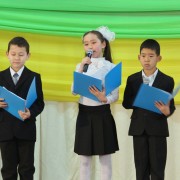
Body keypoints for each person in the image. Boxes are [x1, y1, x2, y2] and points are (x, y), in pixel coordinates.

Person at [122, 39, 176, 180]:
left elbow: (171, 107)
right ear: (139, 57)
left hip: (158, 128)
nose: (147, 60)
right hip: (138, 128)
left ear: (159, 58)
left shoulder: (167, 80)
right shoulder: (132, 79)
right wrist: (141, 99)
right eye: (143, 56)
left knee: (158, 167)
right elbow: (126, 103)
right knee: (141, 168)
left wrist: (166, 111)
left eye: (151, 56)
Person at [72, 26, 119, 180]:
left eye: (93, 42)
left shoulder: (111, 67)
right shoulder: (81, 66)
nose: (90, 47)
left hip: (102, 115)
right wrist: (80, 68)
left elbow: (115, 95)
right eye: (86, 44)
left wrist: (105, 98)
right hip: (85, 115)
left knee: (105, 160)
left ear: (103, 44)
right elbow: (74, 91)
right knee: (84, 159)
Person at [0, 36, 44, 180]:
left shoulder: (34, 77)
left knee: (27, 170)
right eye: (13, 54)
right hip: (5, 131)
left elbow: (40, 103)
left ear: (28, 56)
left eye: (21, 54)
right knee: (8, 170)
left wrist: (31, 113)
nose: (17, 58)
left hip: (26, 130)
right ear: (7, 54)